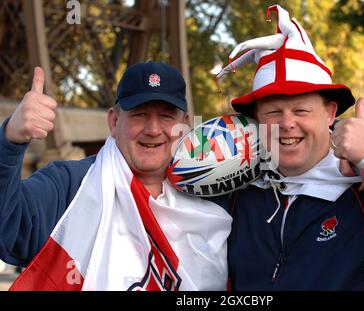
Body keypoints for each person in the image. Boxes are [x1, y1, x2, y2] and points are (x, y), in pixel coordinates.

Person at [216, 5, 364, 290]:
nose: (287, 124)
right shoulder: (235, 190)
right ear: (255, 120)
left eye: (302, 110)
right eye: (273, 112)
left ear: (330, 113)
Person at [0, 61, 232, 290]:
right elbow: (7, 231)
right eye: (139, 114)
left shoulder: (216, 195)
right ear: (113, 120)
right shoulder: (70, 186)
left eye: (166, 116)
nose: (152, 129)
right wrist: (10, 140)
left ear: (185, 124)